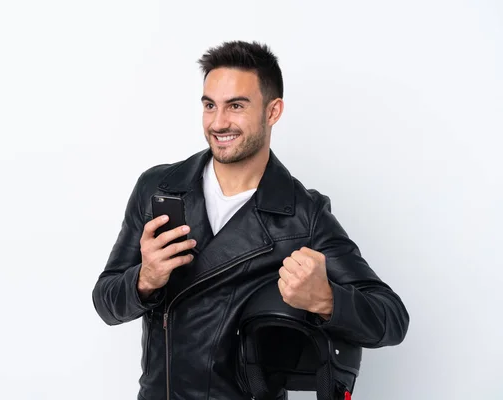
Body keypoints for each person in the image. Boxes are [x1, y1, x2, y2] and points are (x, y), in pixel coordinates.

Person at [92, 40, 409, 400]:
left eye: (236, 106)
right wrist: (144, 279)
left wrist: (326, 299)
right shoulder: (157, 188)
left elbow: (392, 319)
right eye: (209, 105)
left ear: (273, 112)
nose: (218, 122)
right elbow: (106, 302)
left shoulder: (303, 215)